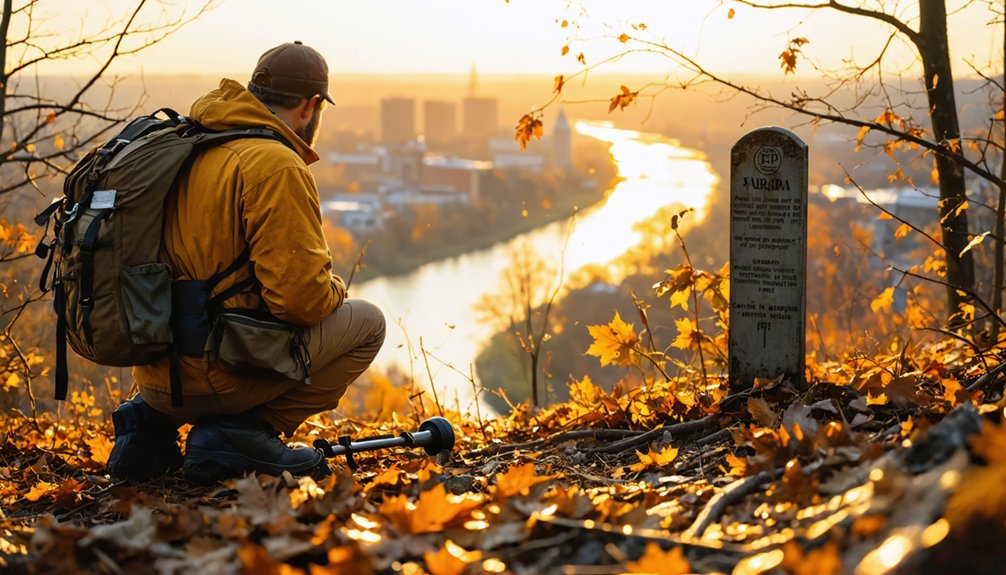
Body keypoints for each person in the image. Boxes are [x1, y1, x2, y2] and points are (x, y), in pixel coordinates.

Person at [105, 41, 386, 483]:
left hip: (156, 378)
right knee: (368, 323)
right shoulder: (276, 164)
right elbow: (302, 301)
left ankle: (148, 425)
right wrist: (336, 288)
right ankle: (241, 433)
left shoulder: (189, 145)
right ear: (311, 105)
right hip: (222, 379)